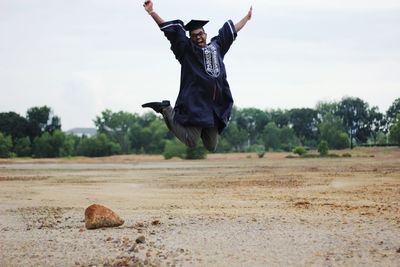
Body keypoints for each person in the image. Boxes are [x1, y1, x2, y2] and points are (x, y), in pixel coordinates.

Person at [142, 0, 252, 151]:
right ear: (190, 38)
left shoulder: (217, 46)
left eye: (200, 34)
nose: (198, 37)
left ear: (205, 34)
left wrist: (246, 18)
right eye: (194, 36)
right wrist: (152, 12)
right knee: (192, 141)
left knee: (211, 146)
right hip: (195, 104)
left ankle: (195, 125)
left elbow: (232, 30)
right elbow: (171, 33)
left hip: (214, 106)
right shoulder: (187, 51)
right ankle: (166, 110)